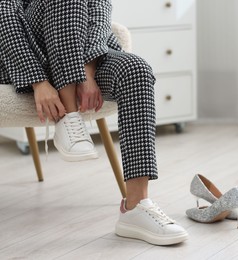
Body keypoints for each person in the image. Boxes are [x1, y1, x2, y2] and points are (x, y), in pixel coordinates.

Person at [0, 0, 188, 246]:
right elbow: (5, 19)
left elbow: (100, 14)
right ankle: (69, 117)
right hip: (27, 56)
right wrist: (38, 81)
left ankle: (135, 207)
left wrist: (87, 71)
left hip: (88, 53)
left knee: (136, 71)